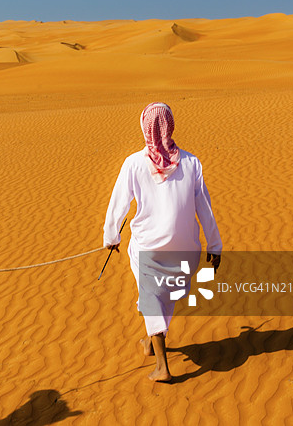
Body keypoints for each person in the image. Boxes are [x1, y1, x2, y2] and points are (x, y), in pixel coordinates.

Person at [103, 102, 222, 382]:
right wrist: (214, 246)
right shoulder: (191, 162)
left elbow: (118, 204)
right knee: (162, 292)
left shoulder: (134, 163)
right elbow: (204, 208)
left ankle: (162, 367)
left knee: (152, 294)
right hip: (186, 249)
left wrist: (111, 237)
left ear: (145, 126)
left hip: (149, 248)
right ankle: (149, 340)